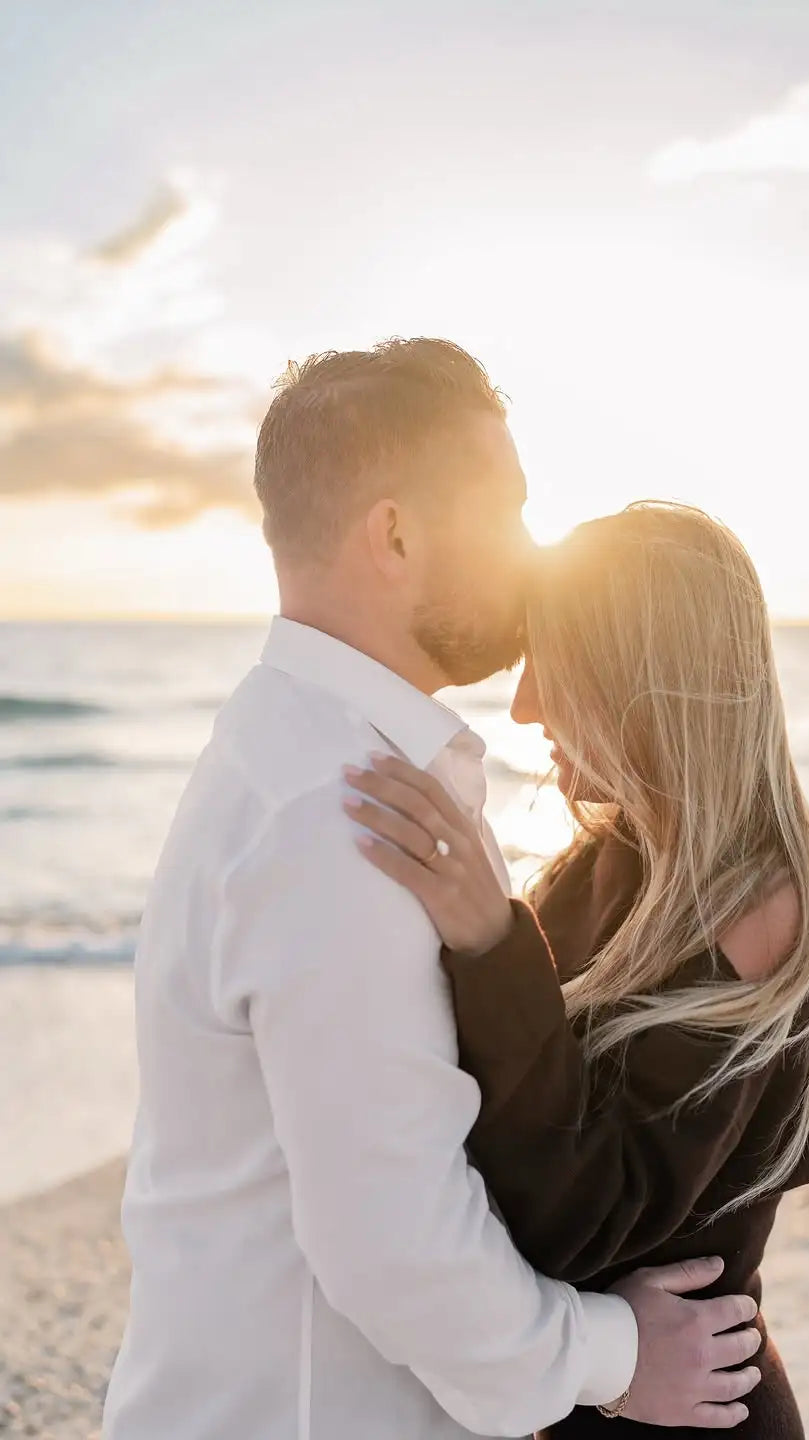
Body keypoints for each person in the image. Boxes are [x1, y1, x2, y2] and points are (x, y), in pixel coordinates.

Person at [102, 345, 765, 1440]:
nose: (529, 548)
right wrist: (614, 1356)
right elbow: (394, 1236)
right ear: (397, 534)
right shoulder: (336, 811)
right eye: (505, 508)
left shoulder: (302, 756)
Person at [343, 501, 809, 1438]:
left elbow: (574, 1221)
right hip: (601, 1401)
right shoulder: (610, 858)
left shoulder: (759, 908)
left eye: (556, 662)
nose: (525, 704)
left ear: (644, 678)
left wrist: (491, 940)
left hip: (694, 1414)